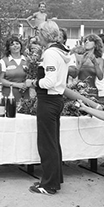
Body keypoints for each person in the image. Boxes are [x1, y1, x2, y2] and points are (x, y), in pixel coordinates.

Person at [26, 21, 70, 195]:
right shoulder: (61, 51)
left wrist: (33, 82)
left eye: (39, 33)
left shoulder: (50, 53)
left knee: (47, 144)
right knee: (53, 142)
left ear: (45, 34)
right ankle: (54, 178)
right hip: (56, 99)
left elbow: (50, 81)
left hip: (48, 100)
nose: (37, 37)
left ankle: (49, 184)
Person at [68, 34, 104, 98]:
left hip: (93, 91)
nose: (86, 42)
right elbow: (74, 75)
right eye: (85, 41)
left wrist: (95, 63)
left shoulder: (100, 60)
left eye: (90, 40)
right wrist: (81, 63)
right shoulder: (78, 57)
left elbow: (100, 77)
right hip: (79, 90)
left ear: (95, 44)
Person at [0, 35, 29, 101]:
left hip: (24, 97)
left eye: (17, 43)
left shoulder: (28, 60)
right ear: (8, 48)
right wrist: (17, 85)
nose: (15, 46)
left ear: (20, 46)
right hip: (8, 96)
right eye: (12, 45)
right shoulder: (3, 61)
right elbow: (0, 80)